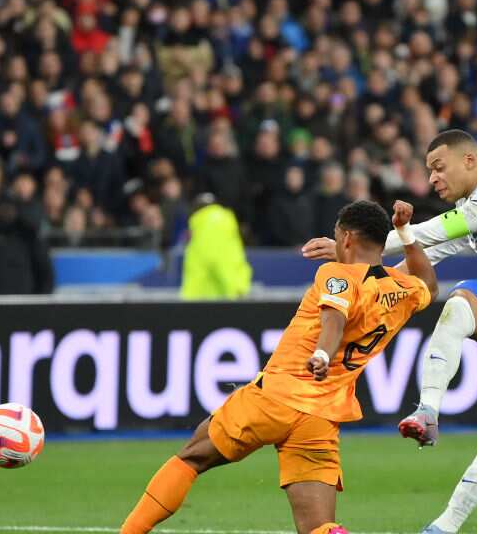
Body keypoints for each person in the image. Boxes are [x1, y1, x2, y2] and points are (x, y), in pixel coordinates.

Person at [306, 129, 477, 534]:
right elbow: (428, 252)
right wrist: (373, 278)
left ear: (470, 160)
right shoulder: (472, 205)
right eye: (429, 170)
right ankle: (428, 411)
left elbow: (432, 233)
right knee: (456, 306)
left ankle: (446, 525)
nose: (433, 178)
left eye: (438, 167)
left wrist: (354, 245)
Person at [122, 200, 437, 534]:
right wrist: (405, 232)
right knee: (318, 526)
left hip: (275, 397)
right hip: (321, 417)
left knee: (191, 458)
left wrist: (322, 355)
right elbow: (428, 282)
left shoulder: (335, 274)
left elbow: (334, 319)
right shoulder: (399, 289)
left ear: (345, 238)